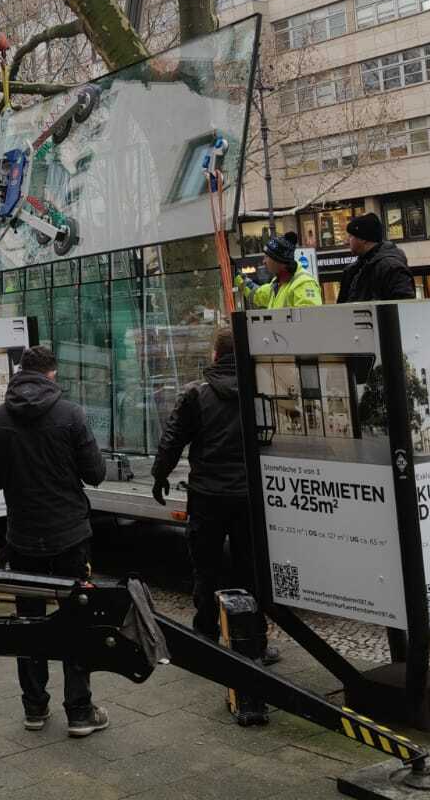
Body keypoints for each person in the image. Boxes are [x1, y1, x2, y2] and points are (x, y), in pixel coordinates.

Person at [0, 345, 110, 738]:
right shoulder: (71, 414)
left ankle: (34, 708)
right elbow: (96, 473)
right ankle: (80, 712)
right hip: (70, 535)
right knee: (77, 620)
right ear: (52, 374)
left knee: (29, 622)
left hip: (22, 537)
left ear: (21, 372)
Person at [150, 327, 278, 662]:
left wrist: (160, 476)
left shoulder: (196, 394)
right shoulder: (259, 391)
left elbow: (172, 439)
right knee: (250, 569)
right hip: (248, 496)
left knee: (206, 570)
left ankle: (205, 638)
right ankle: (255, 642)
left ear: (215, 355)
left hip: (207, 495)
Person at [338, 213, 416, 302]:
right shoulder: (352, 270)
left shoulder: (391, 268)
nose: (347, 241)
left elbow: (404, 304)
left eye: (351, 236)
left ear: (363, 239)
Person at [242, 232, 322, 309]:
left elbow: (310, 317)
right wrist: (238, 278)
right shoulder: (278, 283)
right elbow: (257, 294)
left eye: (267, 257)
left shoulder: (303, 284)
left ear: (278, 260)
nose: (264, 261)